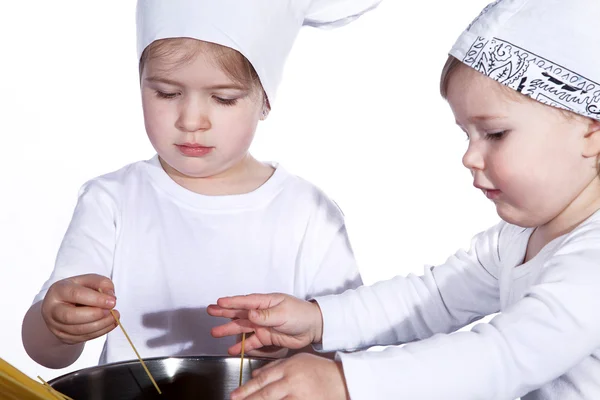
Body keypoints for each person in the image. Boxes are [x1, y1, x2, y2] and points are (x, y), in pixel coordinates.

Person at [208, 0, 600, 398]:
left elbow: (503, 356)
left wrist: (346, 382)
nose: (469, 157)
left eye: (495, 134)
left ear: (592, 131)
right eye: (468, 135)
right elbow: (435, 298)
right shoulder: (518, 238)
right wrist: (319, 319)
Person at [21, 0, 381, 369]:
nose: (191, 120)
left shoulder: (309, 214)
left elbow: (346, 353)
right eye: (166, 93)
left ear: (265, 101)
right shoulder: (111, 202)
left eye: (223, 98)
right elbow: (45, 350)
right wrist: (56, 324)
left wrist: (293, 347)